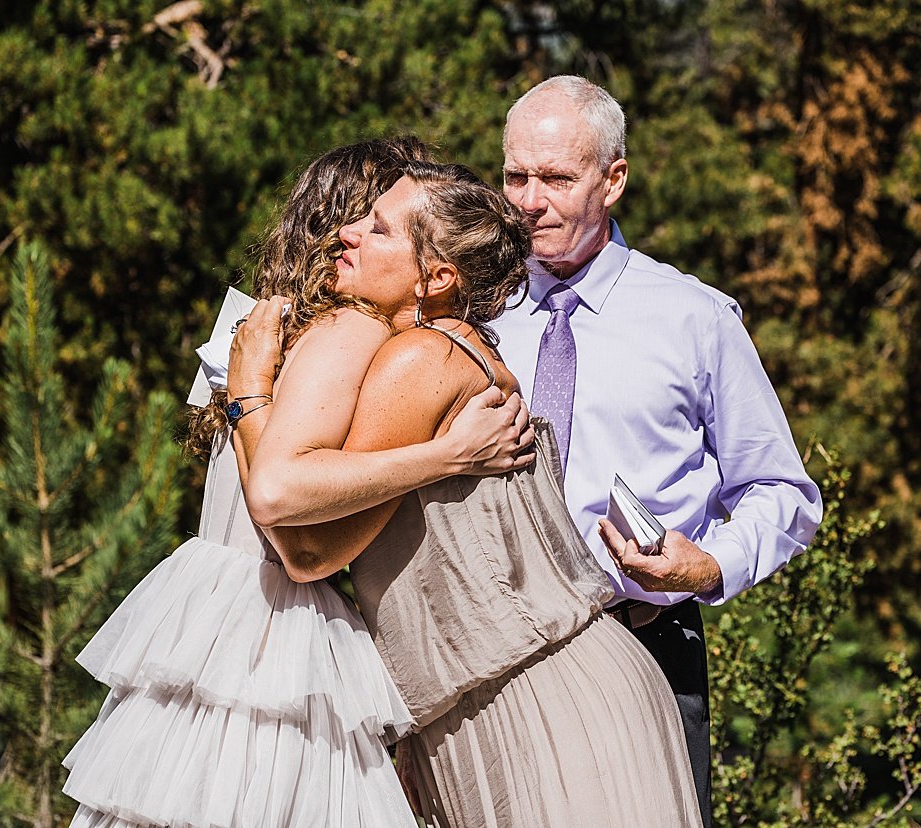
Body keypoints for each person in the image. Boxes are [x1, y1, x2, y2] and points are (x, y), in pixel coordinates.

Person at [61, 139, 534, 826]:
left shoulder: (268, 323)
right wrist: (445, 452)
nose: (358, 235)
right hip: (267, 626)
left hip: (212, 608)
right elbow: (288, 523)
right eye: (369, 215)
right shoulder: (348, 329)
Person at [227, 161, 702, 826]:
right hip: (501, 697)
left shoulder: (421, 359)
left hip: (540, 703)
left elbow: (296, 532)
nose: (347, 235)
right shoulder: (455, 349)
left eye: (380, 229)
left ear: (436, 278)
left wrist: (247, 394)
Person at [493, 75, 823, 825]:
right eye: (515, 175)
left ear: (613, 181)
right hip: (496, 657)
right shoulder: (474, 310)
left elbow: (784, 494)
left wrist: (710, 567)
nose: (528, 200)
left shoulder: (695, 319)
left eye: (555, 178)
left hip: (644, 645)